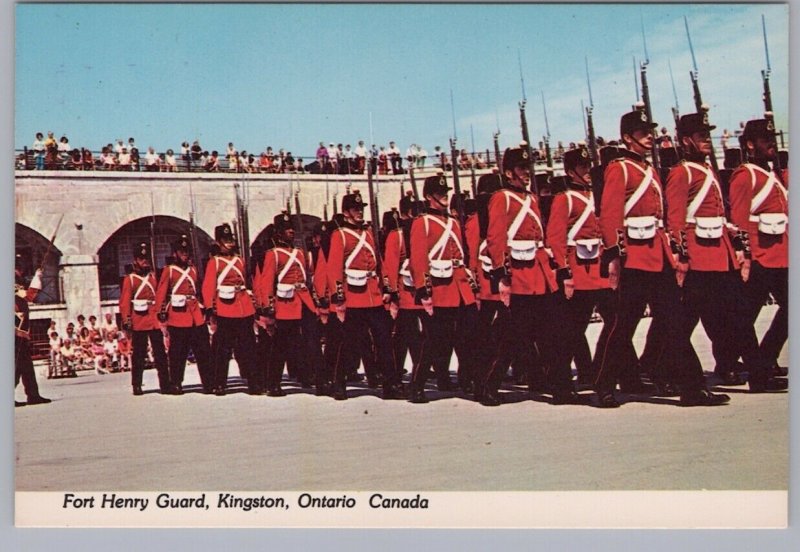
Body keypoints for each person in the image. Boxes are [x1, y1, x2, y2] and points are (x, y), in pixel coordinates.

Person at [593, 107, 723, 407]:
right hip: (633, 259)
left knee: (674, 323)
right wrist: (613, 256)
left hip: (657, 256)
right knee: (623, 326)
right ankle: (603, 385)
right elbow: (610, 213)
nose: (650, 137)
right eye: (643, 133)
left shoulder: (649, 170)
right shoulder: (620, 168)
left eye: (650, 131)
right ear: (628, 138)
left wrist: (672, 253)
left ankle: (692, 389)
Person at [483, 144, 572, 406]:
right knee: (512, 338)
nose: (526, 173)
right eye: (521, 169)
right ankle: (489, 385)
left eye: (528, 168)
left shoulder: (531, 198)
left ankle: (560, 388)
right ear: (509, 173)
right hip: (518, 276)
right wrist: (502, 276)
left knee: (550, 335)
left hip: (539, 275)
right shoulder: (502, 198)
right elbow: (495, 238)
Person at [666, 112, 744, 393]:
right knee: (686, 318)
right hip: (697, 256)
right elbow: (674, 218)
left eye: (707, 136)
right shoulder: (681, 172)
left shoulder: (708, 169)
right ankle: (661, 365)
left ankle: (726, 363)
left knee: (719, 315)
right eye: (701, 137)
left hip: (716, 253)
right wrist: (680, 256)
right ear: (686, 141)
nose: (707, 141)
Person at [547, 146, 619, 389]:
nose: (587, 171)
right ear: (570, 171)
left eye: (588, 166)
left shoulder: (597, 196)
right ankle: (560, 383)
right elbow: (556, 238)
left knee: (617, 325)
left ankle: (622, 376)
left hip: (600, 270)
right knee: (572, 331)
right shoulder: (564, 199)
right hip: (578, 272)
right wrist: (564, 273)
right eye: (581, 167)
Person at [728, 117, 789, 393]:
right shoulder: (745, 175)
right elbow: (739, 219)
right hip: (761, 257)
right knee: (743, 317)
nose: (772, 144)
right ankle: (751, 368)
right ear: (751, 145)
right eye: (766, 140)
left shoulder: (772, 175)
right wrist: (746, 256)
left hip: (782, 255)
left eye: (773, 139)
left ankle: (763, 361)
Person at [407, 175, 480, 403]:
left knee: (468, 338)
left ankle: (469, 379)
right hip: (440, 288)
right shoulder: (422, 222)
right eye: (440, 193)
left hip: (460, 287)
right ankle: (417, 386)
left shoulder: (454, 222)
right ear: (429, 197)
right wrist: (424, 292)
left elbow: (462, 257)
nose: (445, 196)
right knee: (433, 341)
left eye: (446, 192)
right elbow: (419, 260)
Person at [326, 190, 403, 400]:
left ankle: (389, 384)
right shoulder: (339, 235)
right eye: (355, 209)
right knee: (349, 344)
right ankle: (338, 383)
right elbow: (334, 269)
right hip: (353, 296)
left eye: (361, 209)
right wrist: (338, 298)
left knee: (384, 341)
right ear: (345, 212)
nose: (359, 212)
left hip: (374, 296)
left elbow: (380, 263)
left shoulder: (368, 233)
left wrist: (387, 288)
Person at [255, 213, 323, 396]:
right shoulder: (273, 254)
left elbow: (306, 278)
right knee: (280, 346)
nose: (291, 231)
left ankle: (314, 377)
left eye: (292, 228)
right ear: (278, 233)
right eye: (287, 229)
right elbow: (267, 282)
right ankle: (273, 383)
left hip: (304, 301)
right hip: (284, 303)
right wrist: (269, 309)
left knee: (310, 342)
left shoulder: (299, 252)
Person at [202, 223, 264, 395]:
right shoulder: (214, 262)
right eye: (225, 240)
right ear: (218, 242)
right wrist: (209, 308)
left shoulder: (239, 260)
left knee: (249, 347)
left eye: (230, 239)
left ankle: (254, 382)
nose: (229, 243)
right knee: (222, 349)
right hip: (224, 308)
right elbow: (208, 286)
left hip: (243, 307)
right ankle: (219, 383)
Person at [156, 235, 214, 394]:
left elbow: (199, 290)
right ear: (175, 253)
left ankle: (209, 383)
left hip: (195, 314)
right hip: (178, 315)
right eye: (182, 251)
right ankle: (176, 383)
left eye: (187, 251)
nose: (185, 254)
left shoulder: (193, 269)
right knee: (177, 354)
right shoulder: (169, 270)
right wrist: (161, 312)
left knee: (203, 351)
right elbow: (161, 292)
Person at [119, 242, 170, 395]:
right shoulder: (130, 279)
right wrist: (126, 320)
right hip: (139, 319)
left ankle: (165, 384)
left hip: (153, 319)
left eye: (146, 258)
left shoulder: (153, 277)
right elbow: (125, 301)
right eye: (141, 258)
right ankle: (137, 384)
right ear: (135, 260)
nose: (145, 261)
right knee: (139, 355)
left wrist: (161, 312)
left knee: (160, 353)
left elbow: (159, 295)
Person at [382, 195, 423, 382]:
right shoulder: (396, 235)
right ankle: (397, 374)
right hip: (404, 292)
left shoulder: (421, 231)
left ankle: (422, 370)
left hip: (421, 289)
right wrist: (392, 292)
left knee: (420, 337)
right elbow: (390, 266)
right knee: (404, 337)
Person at [14, 257, 51, 406]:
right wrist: (37, 277)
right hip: (15, 329)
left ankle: (33, 394)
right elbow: (30, 296)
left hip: (19, 329)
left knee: (25, 364)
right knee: (17, 364)